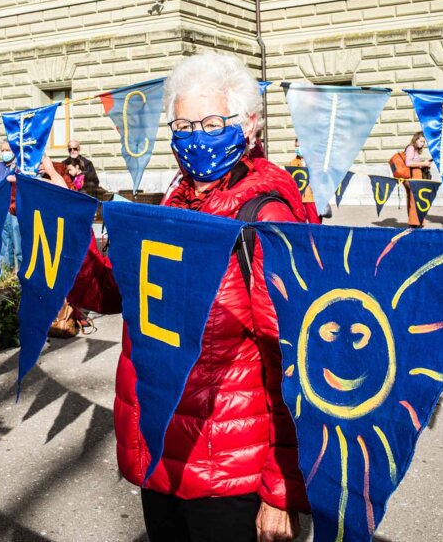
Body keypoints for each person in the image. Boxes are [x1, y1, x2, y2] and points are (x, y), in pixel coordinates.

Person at [67, 52, 310, 542]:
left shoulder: (267, 217)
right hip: (161, 454)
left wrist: (281, 488)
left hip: (231, 474)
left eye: (212, 121)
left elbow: (294, 360)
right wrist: (60, 223)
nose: (196, 135)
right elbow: (116, 293)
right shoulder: (173, 204)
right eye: (183, 124)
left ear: (248, 125)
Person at [0, 140, 22, 272]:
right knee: (4, 245)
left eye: (7, 150)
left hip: (15, 210)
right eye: (2, 150)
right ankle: (6, 272)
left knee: (19, 244)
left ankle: (22, 274)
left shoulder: (19, 167)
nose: (4, 153)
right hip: (2, 210)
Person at [289, 138, 321, 224]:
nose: (297, 149)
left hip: (312, 198)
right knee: (301, 225)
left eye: (299, 146)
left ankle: (315, 238)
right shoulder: (292, 163)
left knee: (315, 225)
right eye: (296, 146)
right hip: (299, 199)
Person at [404, 131, 432, 227]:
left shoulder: (414, 150)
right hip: (413, 176)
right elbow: (408, 163)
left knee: (414, 198)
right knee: (415, 199)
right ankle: (414, 223)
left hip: (416, 175)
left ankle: (415, 222)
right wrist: (423, 164)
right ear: (415, 139)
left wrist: (424, 165)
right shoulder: (411, 148)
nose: (422, 143)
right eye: (421, 141)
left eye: (424, 142)